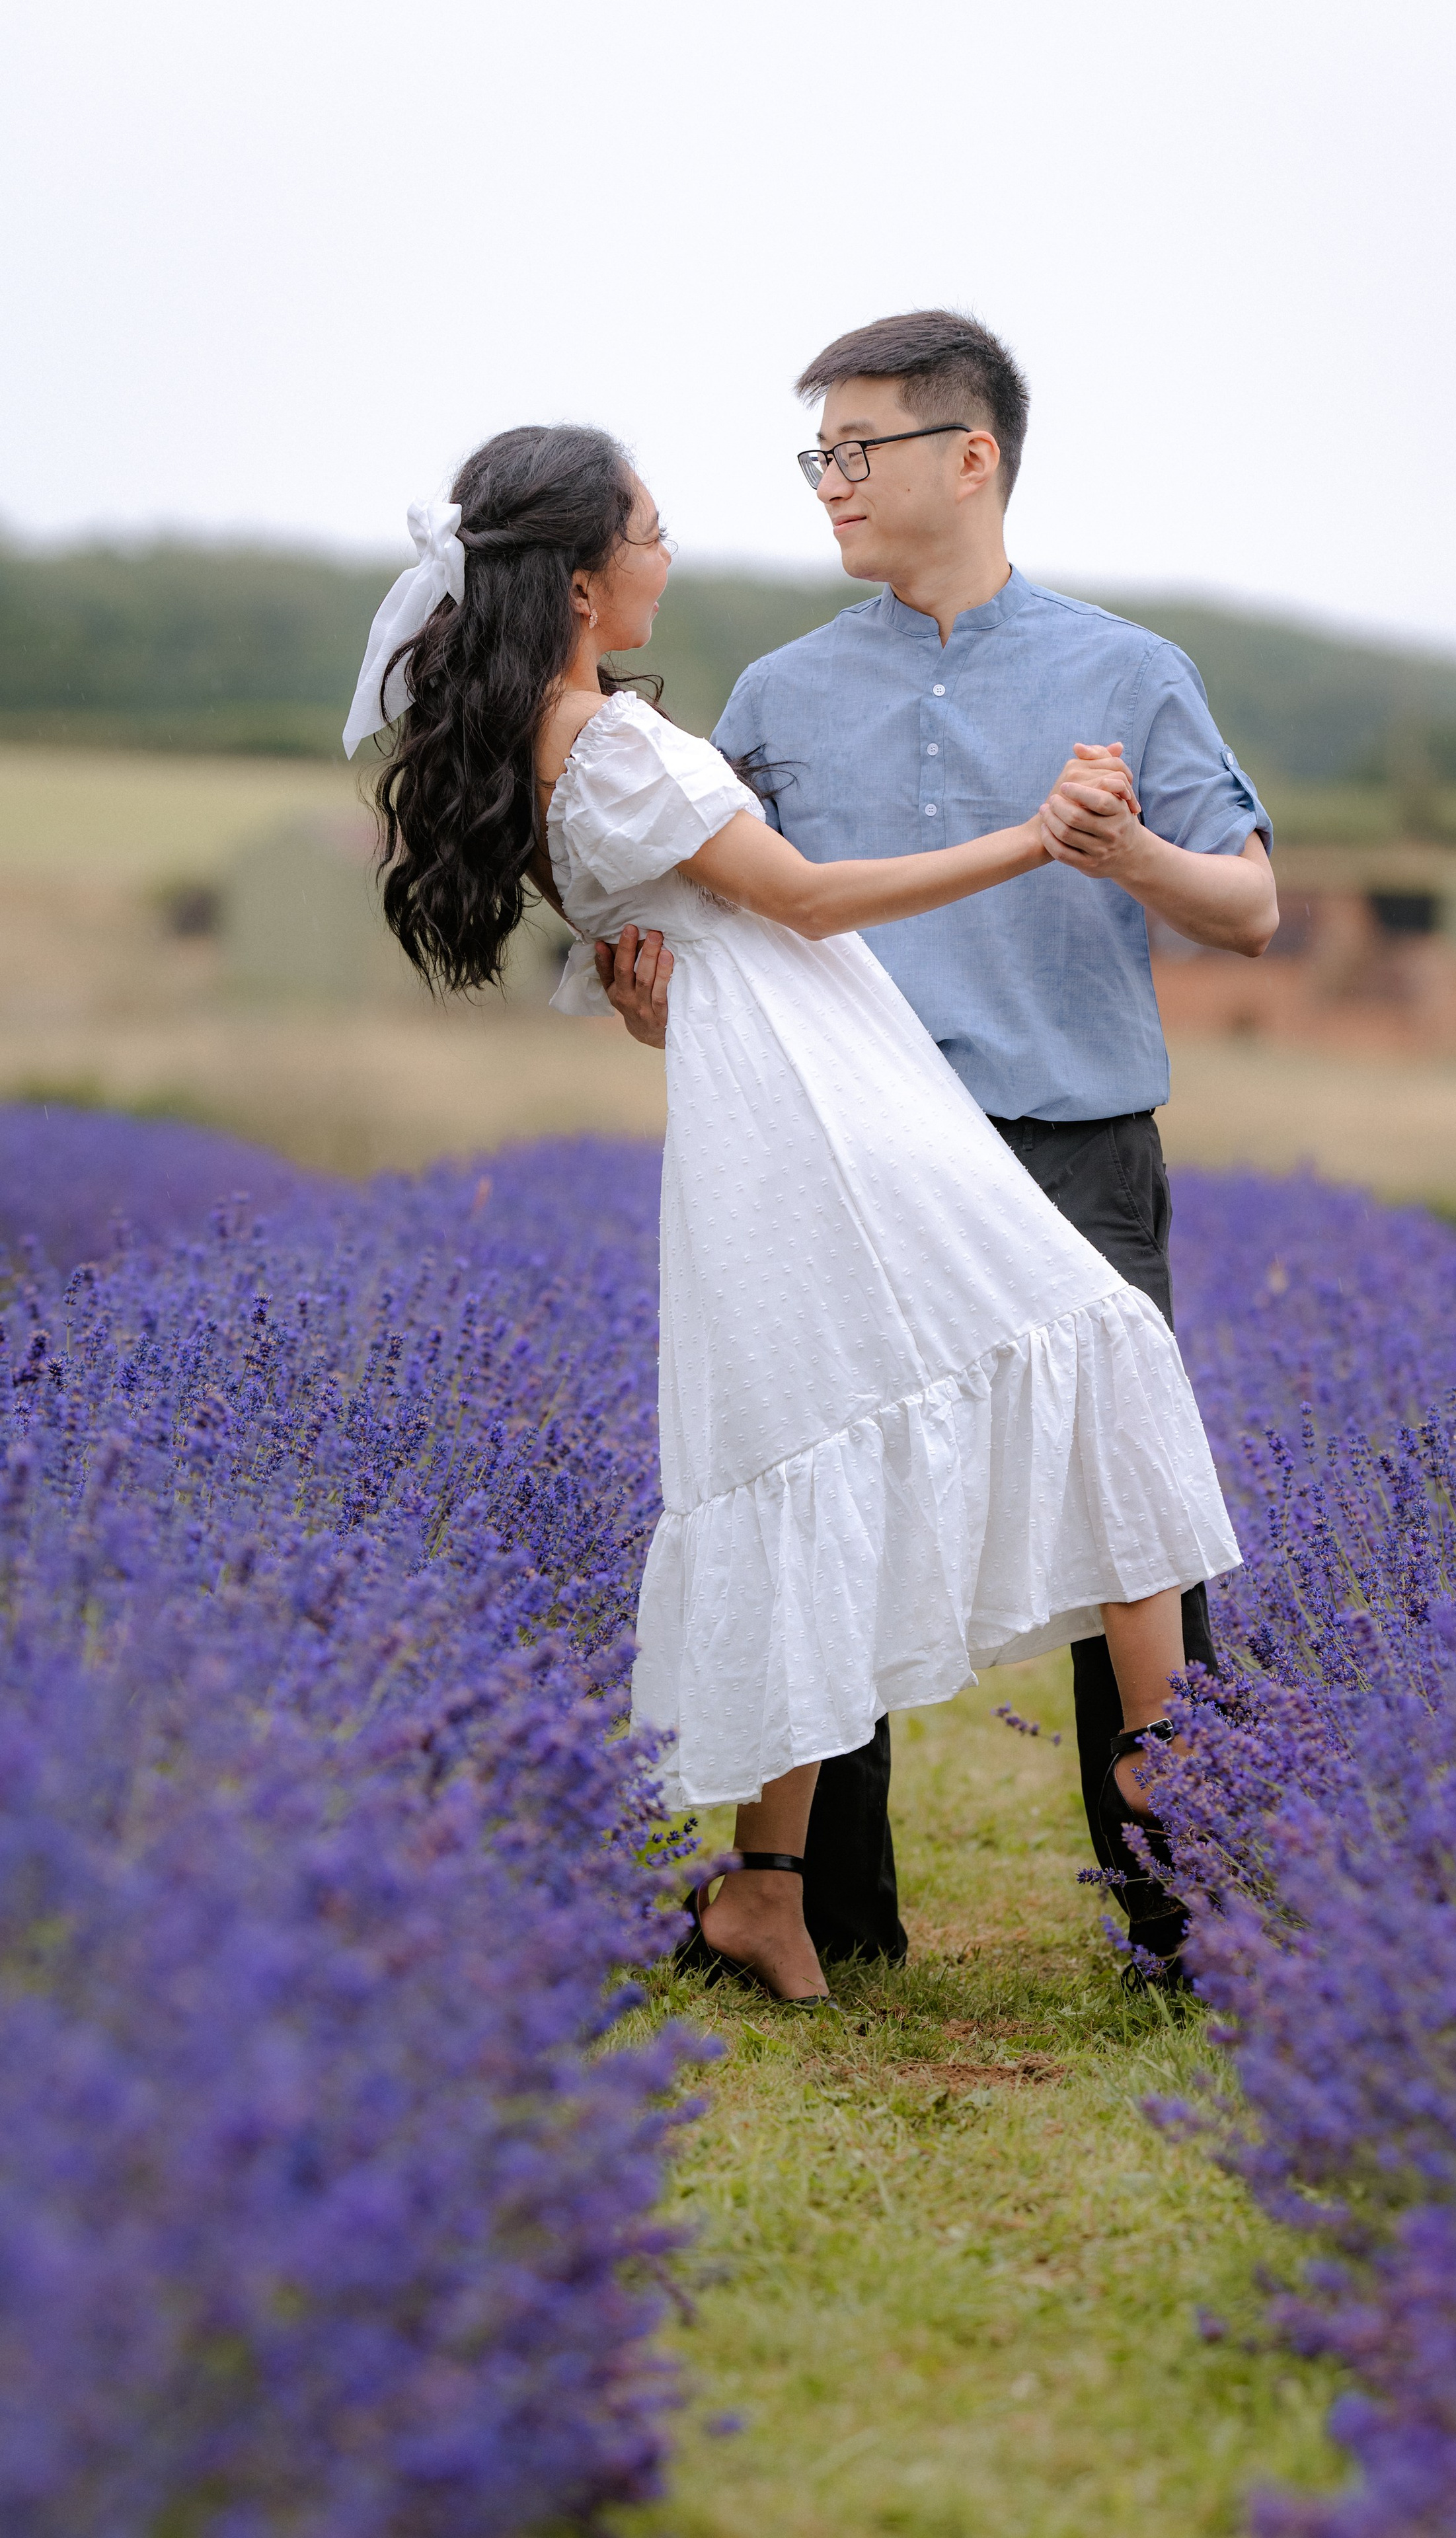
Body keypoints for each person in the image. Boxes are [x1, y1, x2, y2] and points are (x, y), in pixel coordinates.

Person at [346, 419, 1241, 2004]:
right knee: (1094, 1345)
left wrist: (647, 992)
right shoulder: (607, 744)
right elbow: (805, 901)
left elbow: (686, 930)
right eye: (649, 527)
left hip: (790, 1095)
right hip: (818, 1110)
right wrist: (1037, 839)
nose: (667, 552)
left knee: (815, 1447)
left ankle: (766, 1890)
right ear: (574, 579)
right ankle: (1162, 1764)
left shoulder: (582, 734)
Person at [595, 311, 1278, 1978]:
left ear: (968, 458)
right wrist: (645, 1008)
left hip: (1070, 1144)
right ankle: (825, 1918)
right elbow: (734, 960)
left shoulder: (1128, 671)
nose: (828, 480)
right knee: (844, 1511)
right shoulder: (777, 692)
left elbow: (1249, 907)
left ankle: (1183, 1917)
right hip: (852, 1166)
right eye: (815, 453)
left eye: (857, 448)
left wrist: (1125, 858)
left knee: (1134, 1514)